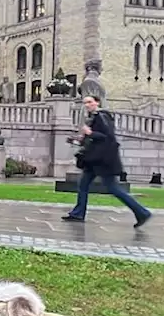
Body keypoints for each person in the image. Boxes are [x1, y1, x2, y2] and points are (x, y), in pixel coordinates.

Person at [63, 95, 151, 227]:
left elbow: (107, 136)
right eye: (85, 103)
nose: (87, 105)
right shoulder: (94, 118)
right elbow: (94, 139)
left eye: (90, 102)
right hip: (93, 160)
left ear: (97, 102)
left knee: (113, 188)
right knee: (83, 185)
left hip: (104, 160)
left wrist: (90, 133)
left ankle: (142, 212)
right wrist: (78, 139)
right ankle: (78, 213)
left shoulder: (102, 116)